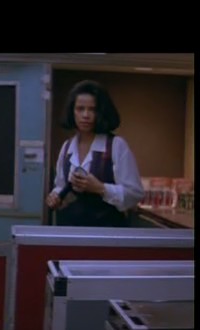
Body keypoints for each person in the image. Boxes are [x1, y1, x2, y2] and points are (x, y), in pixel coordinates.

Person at [46, 80, 144, 227]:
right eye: (80, 109)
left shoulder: (116, 145)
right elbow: (61, 186)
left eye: (92, 109)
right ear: (72, 112)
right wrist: (55, 196)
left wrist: (101, 188)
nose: (86, 115)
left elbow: (134, 194)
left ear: (101, 112)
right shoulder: (67, 147)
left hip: (107, 232)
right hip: (71, 231)